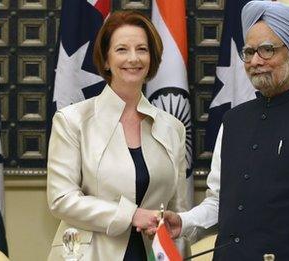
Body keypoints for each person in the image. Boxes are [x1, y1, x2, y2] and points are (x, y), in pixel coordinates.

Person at [160, 1, 289, 260]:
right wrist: (184, 222)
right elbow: (220, 203)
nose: (254, 61)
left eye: (267, 50)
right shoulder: (233, 121)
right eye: (249, 52)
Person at [47, 11, 189, 261]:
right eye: (122, 49)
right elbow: (61, 199)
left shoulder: (172, 128)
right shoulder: (72, 121)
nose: (133, 58)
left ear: (152, 58)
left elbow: (177, 208)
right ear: (105, 60)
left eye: (142, 49)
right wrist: (131, 215)